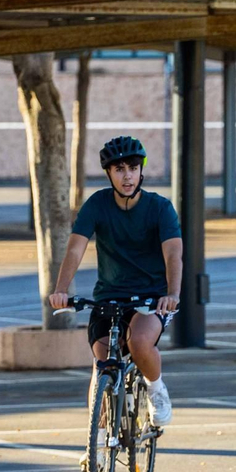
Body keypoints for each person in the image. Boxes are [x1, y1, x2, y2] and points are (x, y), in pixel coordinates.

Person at [49, 136, 182, 428]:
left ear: (140, 170)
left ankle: (157, 390)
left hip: (150, 297)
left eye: (133, 168)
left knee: (140, 342)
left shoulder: (160, 208)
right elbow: (75, 248)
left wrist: (172, 294)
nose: (127, 176)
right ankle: (97, 440)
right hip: (109, 296)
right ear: (108, 173)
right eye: (119, 169)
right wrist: (61, 289)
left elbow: (173, 254)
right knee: (101, 363)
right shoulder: (97, 205)